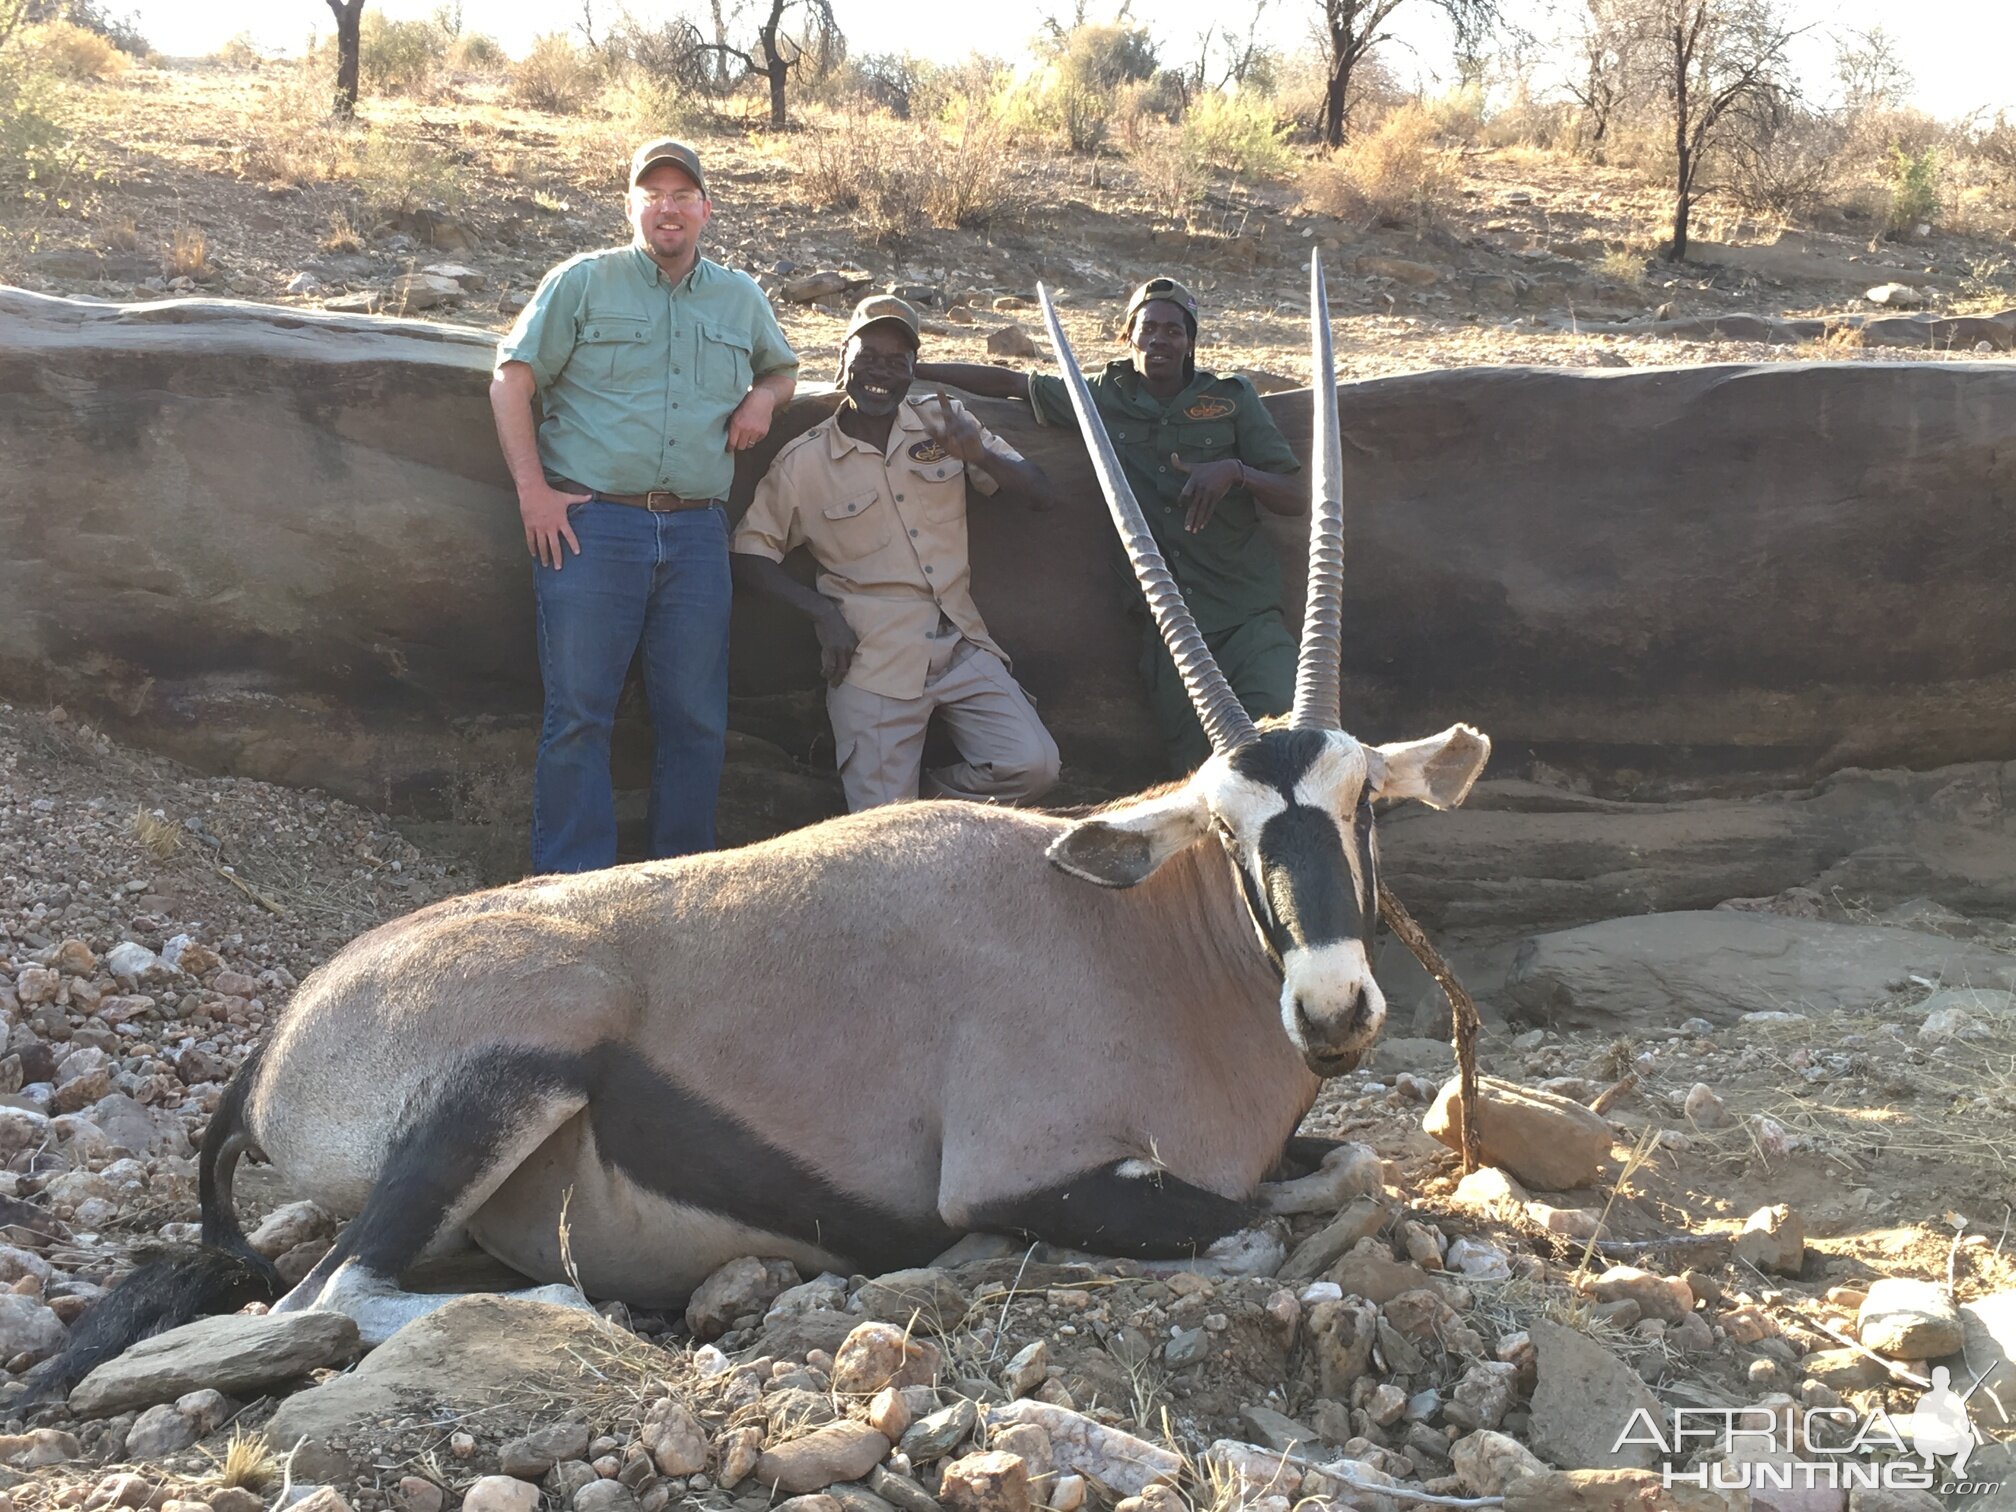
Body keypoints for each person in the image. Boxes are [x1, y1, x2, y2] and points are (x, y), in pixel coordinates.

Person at [489, 138, 799, 872]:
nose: (668, 207)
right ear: (631, 206)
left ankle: (681, 887)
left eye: (682, 195)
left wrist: (762, 394)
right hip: (594, 527)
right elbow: (511, 381)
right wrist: (534, 494)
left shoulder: (739, 296)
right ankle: (570, 886)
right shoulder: (583, 283)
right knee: (579, 717)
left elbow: (784, 369)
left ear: (705, 209)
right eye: (652, 194)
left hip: (696, 534)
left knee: (695, 720)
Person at [916, 276, 1307, 774]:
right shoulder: (1098, 395)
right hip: (1170, 627)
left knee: (1290, 739)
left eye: (1174, 331)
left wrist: (1235, 471)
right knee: (1201, 769)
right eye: (1149, 329)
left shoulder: (1231, 399)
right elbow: (1014, 384)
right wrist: (914, 368)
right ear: (1128, 336)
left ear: (1190, 343)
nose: (1160, 340)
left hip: (1245, 612)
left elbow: (1296, 496)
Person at [732, 295, 1062, 813]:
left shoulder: (944, 424)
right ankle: (903, 815)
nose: (880, 373)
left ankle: (928, 811)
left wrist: (978, 455)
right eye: (867, 358)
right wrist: (820, 613)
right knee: (879, 828)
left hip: (961, 646)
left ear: (914, 370)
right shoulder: (804, 462)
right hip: (872, 661)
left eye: (896, 362)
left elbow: (1042, 495)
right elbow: (749, 553)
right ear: (843, 360)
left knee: (1034, 767)